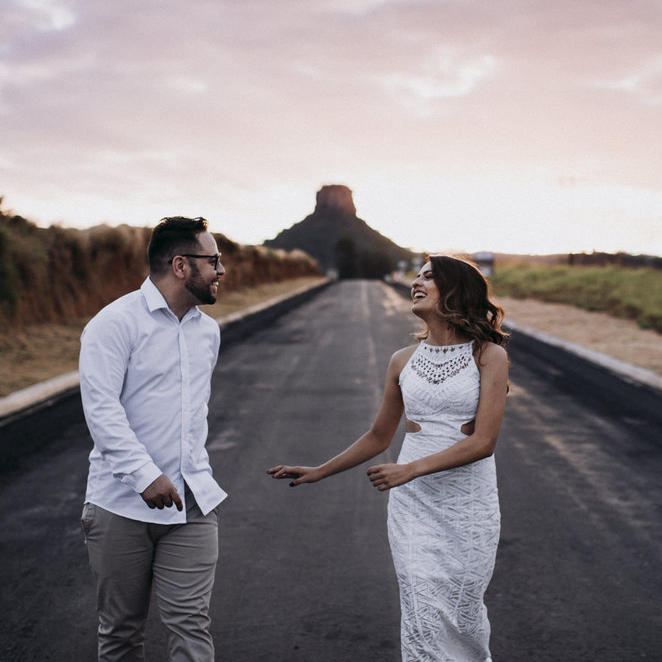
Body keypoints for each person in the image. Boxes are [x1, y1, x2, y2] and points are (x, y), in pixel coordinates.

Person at [268, 254, 510, 662]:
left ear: (456, 289)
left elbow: (483, 441)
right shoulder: (402, 359)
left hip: (468, 503)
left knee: (464, 613)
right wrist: (321, 470)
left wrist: (410, 469)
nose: (416, 282)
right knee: (421, 602)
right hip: (413, 506)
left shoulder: (487, 355)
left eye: (429, 277)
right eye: (417, 275)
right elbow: (379, 436)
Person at [79, 216, 228, 662]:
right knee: (121, 633)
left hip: (192, 503)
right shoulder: (113, 323)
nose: (221, 270)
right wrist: (145, 475)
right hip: (120, 505)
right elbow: (101, 410)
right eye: (213, 260)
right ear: (180, 265)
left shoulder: (209, 332)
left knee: (191, 623)